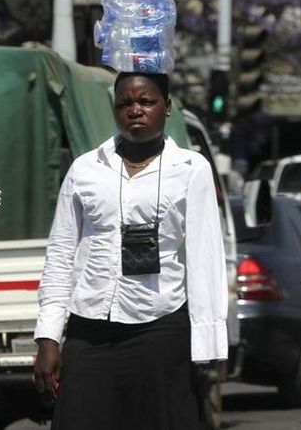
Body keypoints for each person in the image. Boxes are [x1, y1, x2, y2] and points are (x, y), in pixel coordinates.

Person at [33, 72, 228, 430]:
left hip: (159, 327)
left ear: (166, 107)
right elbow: (61, 252)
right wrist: (48, 337)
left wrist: (207, 346)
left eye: (146, 101)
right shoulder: (86, 169)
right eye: (125, 103)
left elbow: (206, 259)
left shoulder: (191, 168)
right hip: (89, 328)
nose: (135, 110)